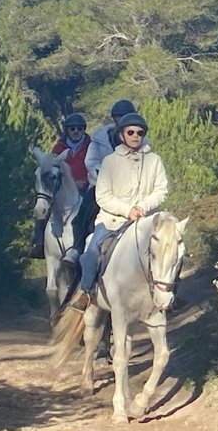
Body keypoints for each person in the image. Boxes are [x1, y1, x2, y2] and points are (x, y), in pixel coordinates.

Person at [73, 112, 168, 311]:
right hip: (112, 221)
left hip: (145, 219)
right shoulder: (109, 162)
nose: (135, 136)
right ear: (121, 135)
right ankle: (86, 291)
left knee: (172, 248)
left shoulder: (155, 160)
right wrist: (128, 210)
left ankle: (170, 292)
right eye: (131, 132)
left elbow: (161, 190)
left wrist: (143, 207)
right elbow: (103, 196)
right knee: (91, 251)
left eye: (140, 132)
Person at [30, 112, 93, 259]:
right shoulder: (58, 148)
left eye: (79, 128)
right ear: (67, 131)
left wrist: (84, 181)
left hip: (87, 186)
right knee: (43, 203)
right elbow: (52, 168)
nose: (76, 131)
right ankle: (39, 242)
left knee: (92, 210)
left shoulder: (91, 146)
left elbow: (95, 166)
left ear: (84, 130)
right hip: (64, 188)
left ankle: (88, 242)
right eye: (72, 129)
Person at [84, 98, 150, 182]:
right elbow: (91, 162)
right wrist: (108, 175)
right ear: (114, 118)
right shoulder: (99, 139)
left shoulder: (142, 141)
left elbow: (147, 163)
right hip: (102, 184)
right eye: (120, 116)